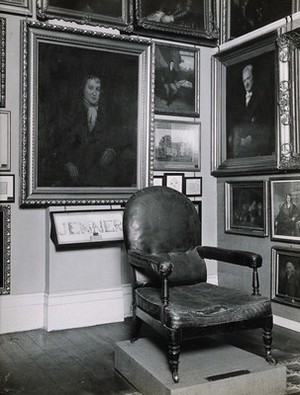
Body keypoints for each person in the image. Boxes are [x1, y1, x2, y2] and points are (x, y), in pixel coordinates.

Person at [60, 75, 117, 186]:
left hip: (100, 174)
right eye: (90, 88)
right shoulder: (70, 111)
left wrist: (112, 151)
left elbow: (116, 140)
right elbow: (60, 142)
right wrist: (67, 163)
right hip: (74, 174)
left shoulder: (109, 113)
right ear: (83, 89)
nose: (94, 93)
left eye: (97, 89)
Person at [228, 64, 273, 159]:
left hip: (257, 147)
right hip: (242, 148)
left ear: (253, 78)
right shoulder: (240, 101)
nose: (246, 83)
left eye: (248, 78)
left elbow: (265, 124)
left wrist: (251, 138)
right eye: (244, 81)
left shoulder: (262, 96)